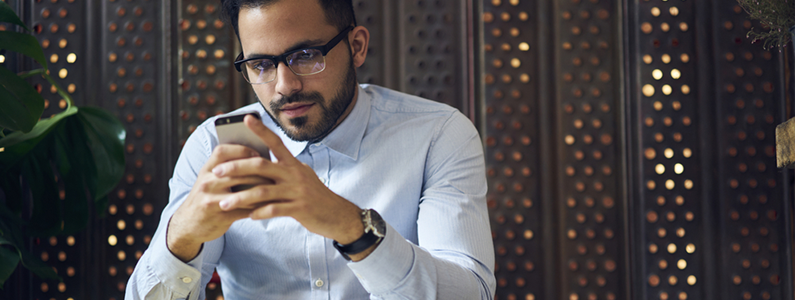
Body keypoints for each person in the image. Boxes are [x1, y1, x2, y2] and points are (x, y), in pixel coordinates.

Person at [125, 0, 495, 298]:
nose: (284, 86)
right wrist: (182, 238)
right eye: (261, 64)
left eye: (305, 55)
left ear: (357, 46)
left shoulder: (438, 135)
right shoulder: (212, 146)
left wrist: (351, 226)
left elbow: (472, 293)